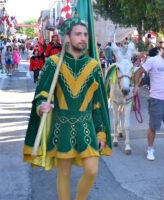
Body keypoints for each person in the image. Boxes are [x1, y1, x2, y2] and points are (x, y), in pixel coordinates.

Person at [23, 16, 112, 200]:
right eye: (78, 34)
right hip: (61, 126)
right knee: (63, 174)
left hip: (86, 126)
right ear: (67, 37)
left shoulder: (93, 66)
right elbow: (42, 94)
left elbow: (97, 104)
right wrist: (42, 106)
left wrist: (101, 132)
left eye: (85, 34)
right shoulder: (54, 63)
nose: (82, 38)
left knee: (92, 170)